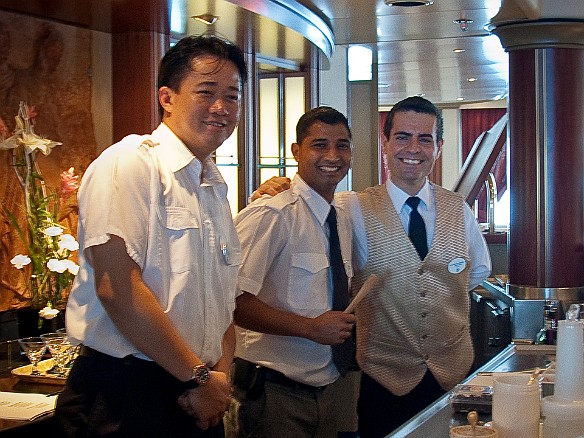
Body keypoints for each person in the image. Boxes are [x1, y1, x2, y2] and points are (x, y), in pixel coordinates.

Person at [252, 96, 491, 437]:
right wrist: (275, 187)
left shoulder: (459, 209)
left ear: (438, 146)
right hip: (383, 381)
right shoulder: (351, 208)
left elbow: (475, 274)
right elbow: (306, 201)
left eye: (425, 139)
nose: (414, 148)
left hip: (452, 375)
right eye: (403, 137)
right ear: (386, 143)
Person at [54, 35, 248, 437]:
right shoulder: (130, 164)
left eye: (232, 96)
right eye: (206, 92)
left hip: (198, 389)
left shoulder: (213, 185)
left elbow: (221, 301)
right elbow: (117, 289)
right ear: (167, 98)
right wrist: (199, 378)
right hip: (125, 394)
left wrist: (217, 379)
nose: (221, 108)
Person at [224, 106, 357, 438]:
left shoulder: (340, 216)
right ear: (297, 151)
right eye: (319, 144)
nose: (333, 155)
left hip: (325, 390)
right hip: (273, 394)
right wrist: (310, 328)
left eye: (342, 145)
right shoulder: (270, 213)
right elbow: (232, 301)